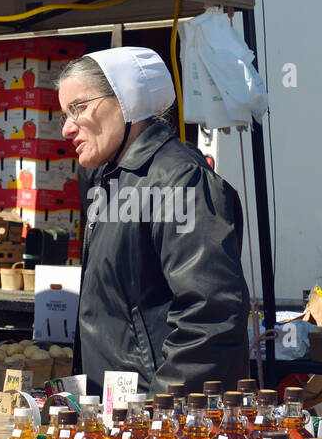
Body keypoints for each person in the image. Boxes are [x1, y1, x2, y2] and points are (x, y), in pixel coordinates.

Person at [61, 47, 249, 395]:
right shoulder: (105, 179)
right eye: (64, 113)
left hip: (152, 421)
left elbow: (211, 315)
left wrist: (154, 414)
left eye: (79, 107)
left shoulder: (181, 180)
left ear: (126, 99)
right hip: (113, 416)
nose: (67, 129)